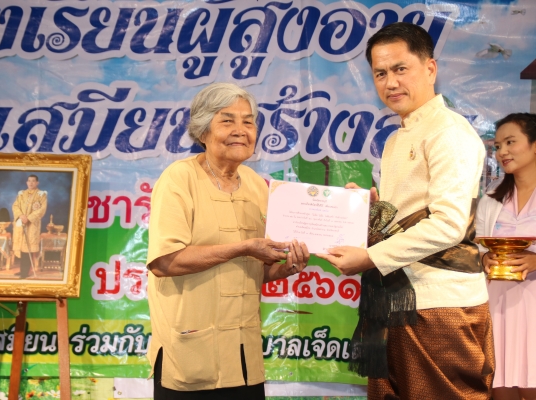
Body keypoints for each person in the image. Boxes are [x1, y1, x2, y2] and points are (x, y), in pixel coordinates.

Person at [316, 22, 494, 399]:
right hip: (398, 298)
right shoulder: (398, 137)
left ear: (430, 68)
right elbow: (406, 216)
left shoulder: (449, 132)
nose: (391, 82)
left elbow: (448, 225)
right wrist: (370, 210)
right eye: (380, 73)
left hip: (439, 304)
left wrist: (370, 257)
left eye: (400, 69)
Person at [146, 82, 310, 399]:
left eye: (248, 121)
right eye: (227, 120)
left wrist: (284, 269)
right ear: (203, 130)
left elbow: (251, 270)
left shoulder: (256, 185)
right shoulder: (179, 178)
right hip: (190, 354)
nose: (240, 130)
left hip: (243, 357)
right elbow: (164, 263)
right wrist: (243, 248)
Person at [477, 113, 536, 400]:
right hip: (498, 304)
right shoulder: (491, 198)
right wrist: (483, 260)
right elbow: (477, 246)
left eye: (511, 142)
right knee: (500, 388)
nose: (502, 152)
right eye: (498, 146)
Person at [12, 174, 47, 279]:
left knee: (27, 249)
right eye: (29, 181)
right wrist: (21, 215)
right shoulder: (21, 194)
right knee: (22, 249)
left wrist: (29, 218)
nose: (31, 183)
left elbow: (42, 209)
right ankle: (23, 270)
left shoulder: (41, 195)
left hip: (32, 225)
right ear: (27, 182)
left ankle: (25, 272)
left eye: (33, 181)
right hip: (21, 223)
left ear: (37, 183)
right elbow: (15, 206)